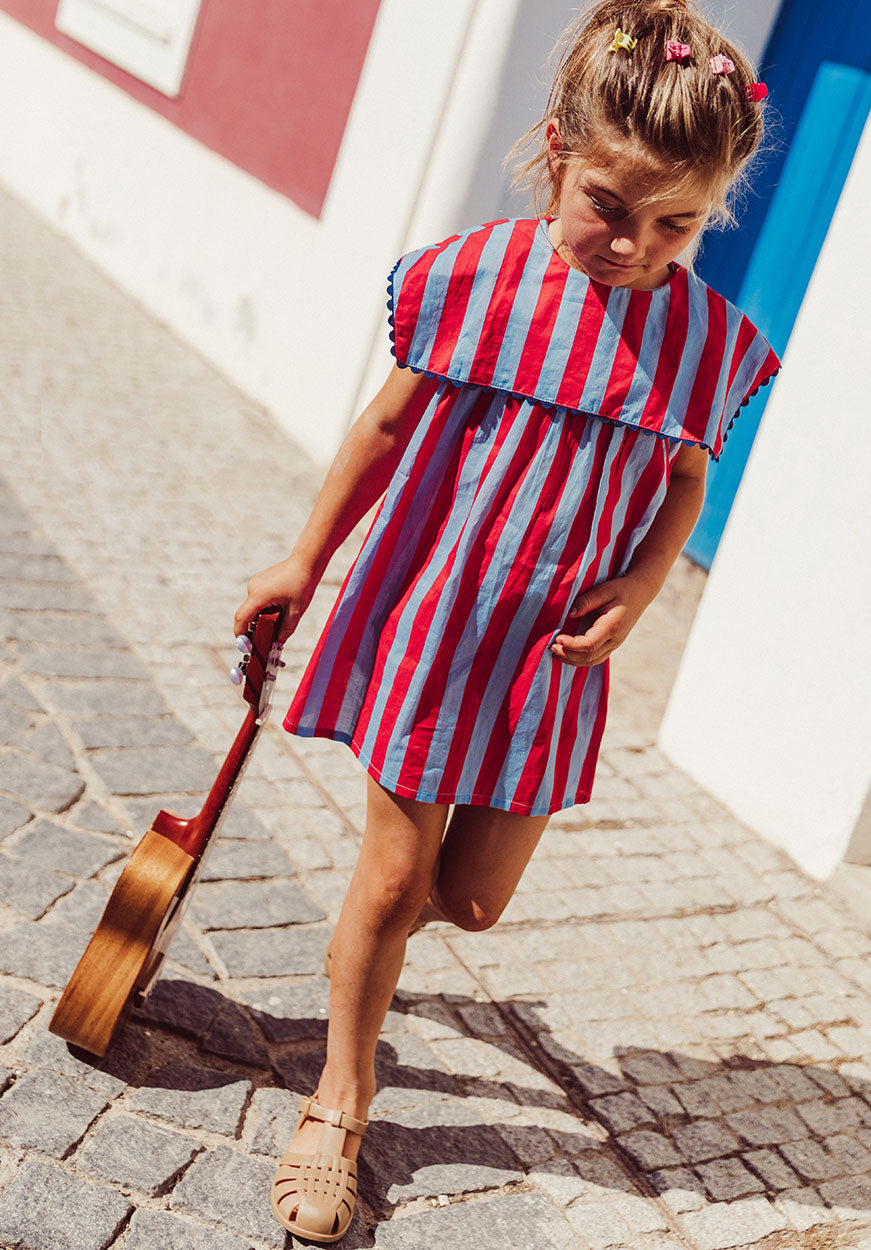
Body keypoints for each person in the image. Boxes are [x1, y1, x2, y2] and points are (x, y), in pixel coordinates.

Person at [236, 0, 780, 1240]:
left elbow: (685, 479)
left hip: (547, 664)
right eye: (607, 204)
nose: (635, 245)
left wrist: (642, 589)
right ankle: (340, 1096)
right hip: (433, 622)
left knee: (469, 900)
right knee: (395, 873)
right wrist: (301, 562)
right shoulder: (478, 278)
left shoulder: (703, 341)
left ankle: (362, 956)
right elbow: (382, 429)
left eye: (678, 223)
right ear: (554, 151)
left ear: (714, 212)